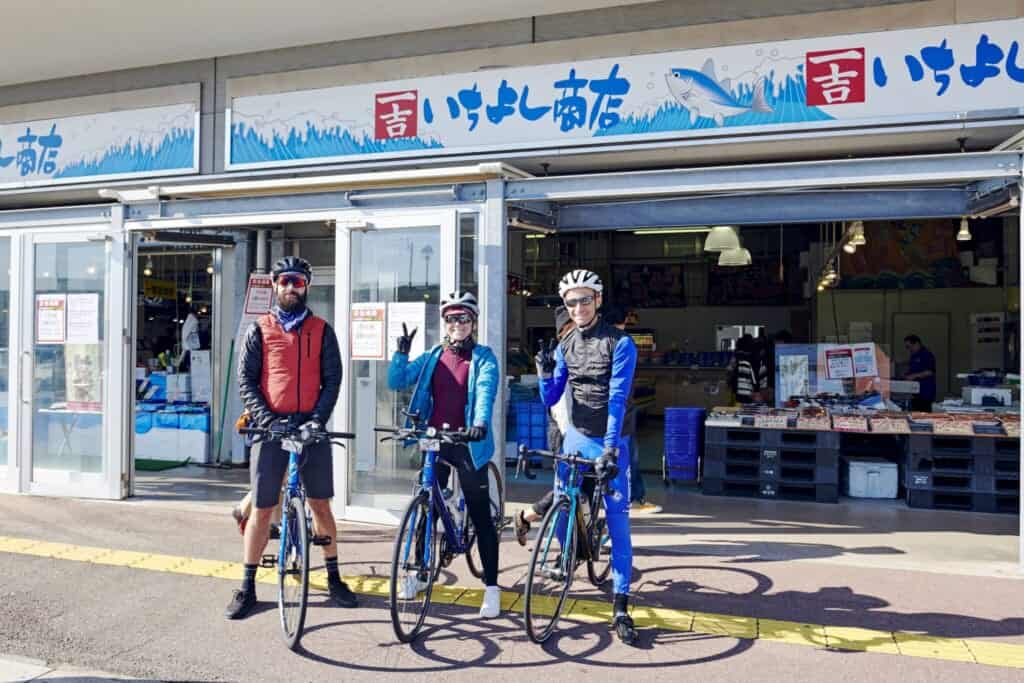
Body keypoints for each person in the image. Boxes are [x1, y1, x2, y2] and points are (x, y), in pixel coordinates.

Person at [225, 256, 357, 620]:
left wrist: (318, 419)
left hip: (310, 428)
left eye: (297, 282)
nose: (290, 288)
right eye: (284, 281)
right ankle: (247, 587)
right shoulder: (259, 330)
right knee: (263, 508)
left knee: (320, 506)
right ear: (274, 285)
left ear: (306, 286)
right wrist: (267, 418)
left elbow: (333, 380)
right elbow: (246, 381)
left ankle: (334, 578)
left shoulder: (322, 330)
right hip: (270, 428)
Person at [537, 269, 639, 645]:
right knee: (564, 504)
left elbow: (617, 398)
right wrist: (546, 374)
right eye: (570, 302)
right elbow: (550, 400)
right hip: (576, 438)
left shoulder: (621, 343)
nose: (577, 307)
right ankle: (568, 558)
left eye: (584, 299)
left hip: (611, 439)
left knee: (618, 521)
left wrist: (611, 447)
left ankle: (622, 604)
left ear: (597, 300)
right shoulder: (566, 346)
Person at [387, 291, 502, 619]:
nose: (456, 324)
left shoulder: (484, 357)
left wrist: (479, 423)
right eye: (451, 318)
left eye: (463, 318)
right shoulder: (434, 355)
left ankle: (492, 587)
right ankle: (422, 574)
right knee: (427, 509)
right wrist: (401, 352)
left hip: (467, 441)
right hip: (434, 438)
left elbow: (485, 391)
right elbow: (396, 381)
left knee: (480, 515)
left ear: (473, 322)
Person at [903, 334, 937, 412]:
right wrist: (906, 375)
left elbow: (930, 371)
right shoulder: (913, 356)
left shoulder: (927, 355)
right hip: (915, 393)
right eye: (907, 347)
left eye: (909, 346)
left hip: (925, 392)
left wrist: (914, 376)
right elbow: (912, 370)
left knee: (924, 416)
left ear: (917, 344)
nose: (909, 349)